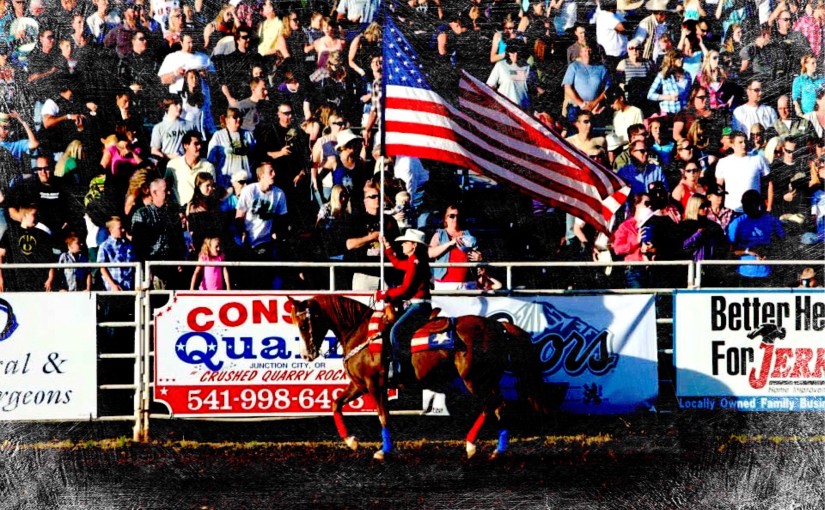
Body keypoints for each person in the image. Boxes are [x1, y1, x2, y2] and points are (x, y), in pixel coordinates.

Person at [375, 228, 432, 386]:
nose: (402, 245)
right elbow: (397, 263)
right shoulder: (414, 260)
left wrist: (385, 294)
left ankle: (401, 371)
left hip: (418, 306)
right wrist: (387, 246)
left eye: (405, 243)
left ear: (413, 245)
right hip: (418, 305)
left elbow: (406, 289)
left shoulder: (414, 263)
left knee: (395, 332)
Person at [235, 161, 288, 289]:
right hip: (248, 240)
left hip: (266, 241)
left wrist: (278, 233)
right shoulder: (249, 190)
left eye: (274, 171)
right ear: (261, 175)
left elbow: (282, 218)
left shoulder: (279, 193)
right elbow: (239, 216)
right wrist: (241, 232)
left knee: (265, 275)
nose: (274, 174)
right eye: (270, 172)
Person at [343, 180, 400, 290]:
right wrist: (371, 237)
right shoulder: (357, 220)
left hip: (385, 273)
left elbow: (397, 244)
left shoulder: (389, 220)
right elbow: (349, 244)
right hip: (365, 274)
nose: (377, 199)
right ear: (365, 201)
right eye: (372, 197)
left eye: (378, 195)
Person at [131, 178, 187, 289]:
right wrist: (147, 270)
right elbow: (138, 247)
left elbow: (179, 240)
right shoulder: (142, 214)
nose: (169, 193)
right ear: (154, 192)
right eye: (165, 190)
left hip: (172, 268)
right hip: (152, 268)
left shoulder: (173, 214)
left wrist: (181, 258)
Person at [728, 189, 785, 283]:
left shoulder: (771, 220)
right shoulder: (737, 223)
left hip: (767, 272)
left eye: (753, 204)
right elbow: (730, 249)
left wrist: (769, 252)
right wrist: (749, 251)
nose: (751, 207)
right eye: (747, 204)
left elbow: (782, 242)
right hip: (744, 273)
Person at [0, 205, 57, 292]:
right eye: (34, 215)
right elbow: (0, 256)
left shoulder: (42, 235)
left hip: (38, 283)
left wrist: (50, 278)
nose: (36, 218)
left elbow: (50, 259)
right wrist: (0, 279)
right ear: (25, 215)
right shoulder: (11, 233)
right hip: (17, 283)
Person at [716, 130, 772, 213]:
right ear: (732, 144)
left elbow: (769, 184)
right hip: (732, 211)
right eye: (740, 142)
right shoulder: (723, 162)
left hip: (755, 210)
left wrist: (769, 207)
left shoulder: (758, 159)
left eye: (745, 141)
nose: (744, 145)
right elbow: (719, 188)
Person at [428, 205, 481, 290]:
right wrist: (450, 243)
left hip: (467, 283)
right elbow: (430, 253)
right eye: (452, 216)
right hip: (444, 283)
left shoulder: (469, 235)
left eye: (458, 216)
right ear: (445, 218)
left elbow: (479, 255)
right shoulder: (439, 234)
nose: (455, 218)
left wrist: (479, 257)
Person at [207, 108, 256, 190]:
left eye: (240, 117)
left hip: (246, 184)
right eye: (235, 117)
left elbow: (255, 157)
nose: (239, 119)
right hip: (226, 184)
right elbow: (211, 161)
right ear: (227, 120)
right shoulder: (218, 136)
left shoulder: (248, 135)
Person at [165, 130, 215, 207]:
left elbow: (212, 192)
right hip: (179, 210)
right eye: (196, 144)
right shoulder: (173, 164)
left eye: (200, 144)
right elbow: (166, 187)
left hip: (200, 210)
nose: (200, 147)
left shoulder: (208, 166)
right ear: (186, 145)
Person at [97, 215, 135, 292]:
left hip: (128, 287)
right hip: (112, 289)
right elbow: (102, 268)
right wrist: (113, 285)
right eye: (120, 228)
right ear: (110, 230)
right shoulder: (104, 246)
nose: (123, 230)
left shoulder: (128, 245)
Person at [647, 50, 691, 114]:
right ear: (671, 60)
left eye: (682, 57)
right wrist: (669, 97)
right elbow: (650, 95)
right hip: (667, 112)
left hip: (683, 112)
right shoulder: (663, 75)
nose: (681, 59)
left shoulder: (687, 74)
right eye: (678, 57)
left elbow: (689, 93)